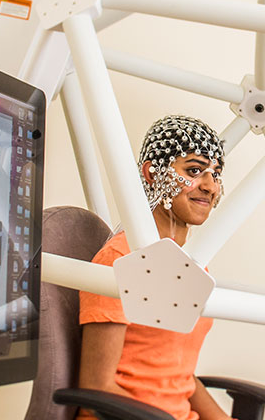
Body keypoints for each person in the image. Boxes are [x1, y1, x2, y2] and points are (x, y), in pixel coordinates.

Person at [78, 115, 232, 420]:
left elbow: (179, 377)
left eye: (216, 175)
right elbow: (97, 387)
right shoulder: (121, 258)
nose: (210, 186)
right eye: (194, 170)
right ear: (151, 173)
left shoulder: (195, 264)